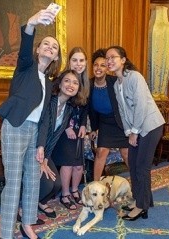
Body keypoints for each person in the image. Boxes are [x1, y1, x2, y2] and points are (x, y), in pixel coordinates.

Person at [0, 9, 61, 239]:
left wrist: (41, 145)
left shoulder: (50, 83)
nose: (49, 48)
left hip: (34, 133)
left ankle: (27, 225)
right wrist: (32, 23)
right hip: (15, 127)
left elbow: (44, 119)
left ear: (55, 58)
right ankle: (6, 233)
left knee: (33, 180)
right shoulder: (25, 66)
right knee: (13, 183)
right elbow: (25, 43)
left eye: (54, 47)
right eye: (46, 44)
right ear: (37, 49)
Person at [105, 45, 165, 221]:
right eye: (107, 58)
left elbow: (141, 106)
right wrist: (128, 131)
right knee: (133, 163)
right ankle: (143, 200)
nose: (109, 61)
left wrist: (134, 132)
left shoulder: (135, 77)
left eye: (113, 57)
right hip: (135, 128)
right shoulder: (117, 84)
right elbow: (123, 112)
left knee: (141, 167)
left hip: (150, 125)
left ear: (123, 60)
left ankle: (141, 207)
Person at [36, 70, 84, 218]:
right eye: (67, 81)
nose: (71, 85)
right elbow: (42, 128)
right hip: (34, 146)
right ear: (60, 83)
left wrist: (46, 158)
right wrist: (40, 159)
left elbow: (55, 136)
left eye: (75, 83)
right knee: (47, 184)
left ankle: (40, 202)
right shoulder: (50, 100)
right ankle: (25, 208)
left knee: (56, 184)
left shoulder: (68, 108)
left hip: (45, 151)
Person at [52, 47, 90, 209]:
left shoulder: (86, 82)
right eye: (75, 60)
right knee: (67, 163)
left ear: (85, 63)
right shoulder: (64, 78)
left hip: (78, 128)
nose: (78, 63)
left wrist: (83, 125)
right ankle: (65, 193)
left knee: (79, 164)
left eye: (81, 60)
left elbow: (84, 107)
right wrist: (67, 126)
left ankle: (75, 190)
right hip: (63, 129)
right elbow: (57, 102)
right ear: (69, 61)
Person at [88, 48, 129, 181]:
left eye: (103, 65)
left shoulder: (115, 81)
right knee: (101, 152)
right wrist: (93, 129)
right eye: (95, 65)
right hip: (104, 123)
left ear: (107, 68)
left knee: (126, 153)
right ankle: (95, 184)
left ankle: (137, 182)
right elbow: (90, 111)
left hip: (120, 122)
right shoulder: (88, 85)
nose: (98, 68)